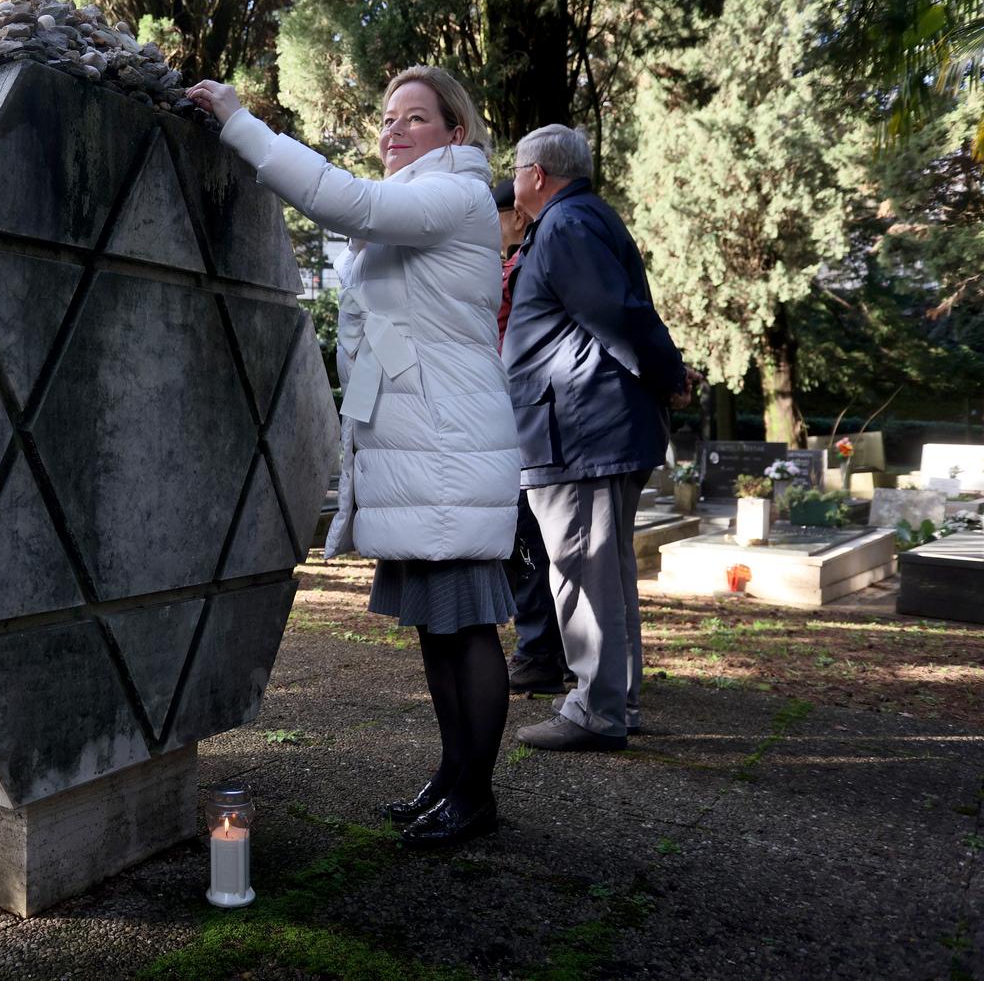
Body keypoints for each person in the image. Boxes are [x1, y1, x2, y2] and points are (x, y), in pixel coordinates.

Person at [188, 67, 520, 848]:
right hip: (420, 446)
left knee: (466, 625)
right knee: (439, 628)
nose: (394, 130)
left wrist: (240, 122)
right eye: (387, 118)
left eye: (415, 118)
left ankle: (477, 793)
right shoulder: (416, 205)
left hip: (449, 445)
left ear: (456, 133)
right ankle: (453, 776)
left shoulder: (457, 194)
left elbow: (350, 198)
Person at [502, 125, 698, 751]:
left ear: (536, 173)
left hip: (580, 431)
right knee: (602, 574)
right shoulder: (577, 219)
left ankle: (595, 710)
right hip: (585, 427)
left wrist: (669, 377)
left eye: (515, 169)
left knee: (582, 572)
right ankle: (614, 704)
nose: (511, 181)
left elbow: (618, 317)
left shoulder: (564, 226)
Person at [493, 181, 568, 693]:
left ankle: (540, 651)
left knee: (526, 537)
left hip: (522, 416)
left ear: (517, 217)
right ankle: (548, 649)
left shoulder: (523, 269)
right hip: (508, 415)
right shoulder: (507, 266)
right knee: (524, 537)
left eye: (490, 213)